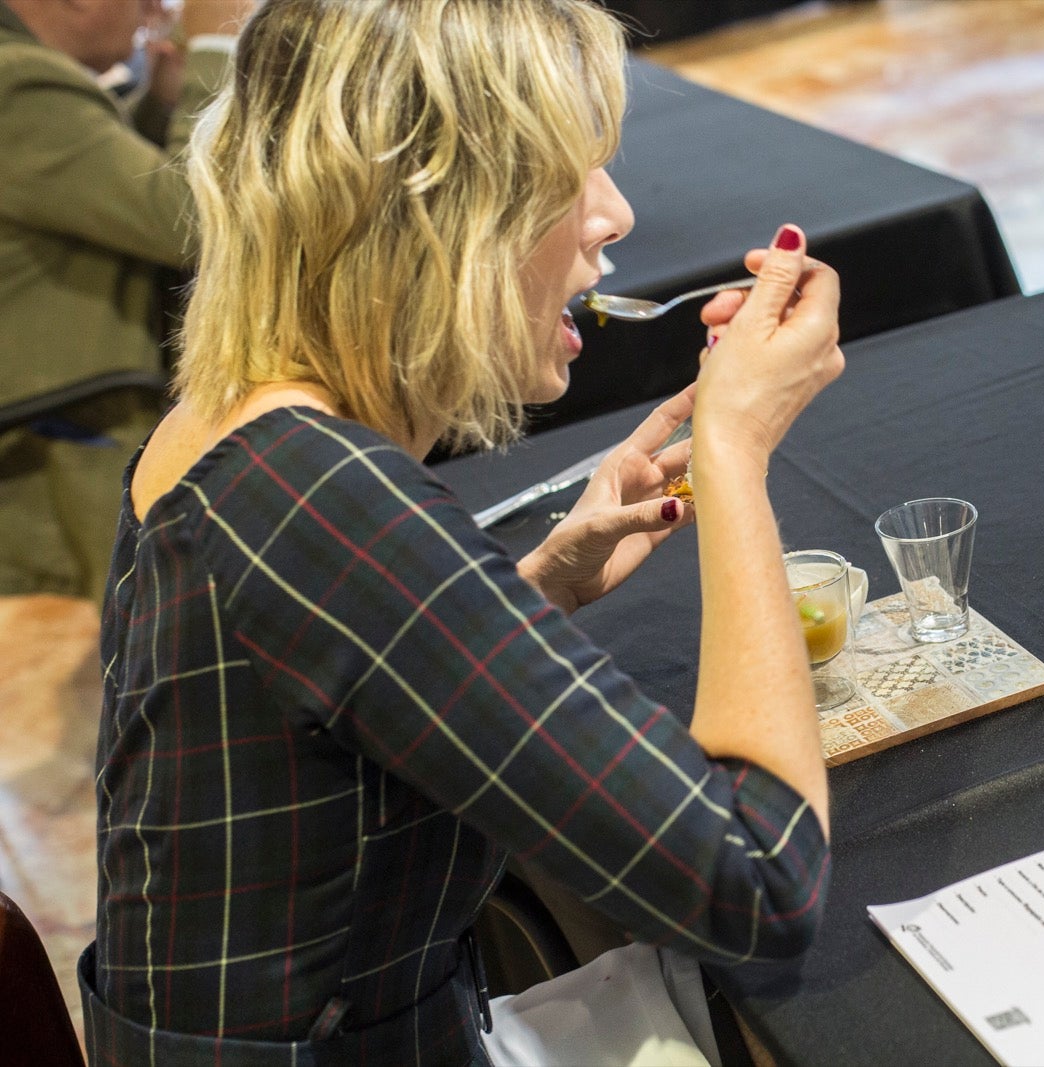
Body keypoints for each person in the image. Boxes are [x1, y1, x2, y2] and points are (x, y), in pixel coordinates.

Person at [79, 1, 843, 1065]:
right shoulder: (324, 491)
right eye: (567, 176)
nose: (614, 216)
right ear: (437, 209)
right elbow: (759, 881)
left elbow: (311, 709)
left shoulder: (231, 422)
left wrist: (535, 585)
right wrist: (736, 452)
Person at [0, 0, 254, 598]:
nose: (151, 12)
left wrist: (163, 106)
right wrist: (215, 51)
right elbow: (188, 217)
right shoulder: (17, 83)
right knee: (102, 662)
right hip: (59, 447)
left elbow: (87, 199)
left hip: (60, 439)